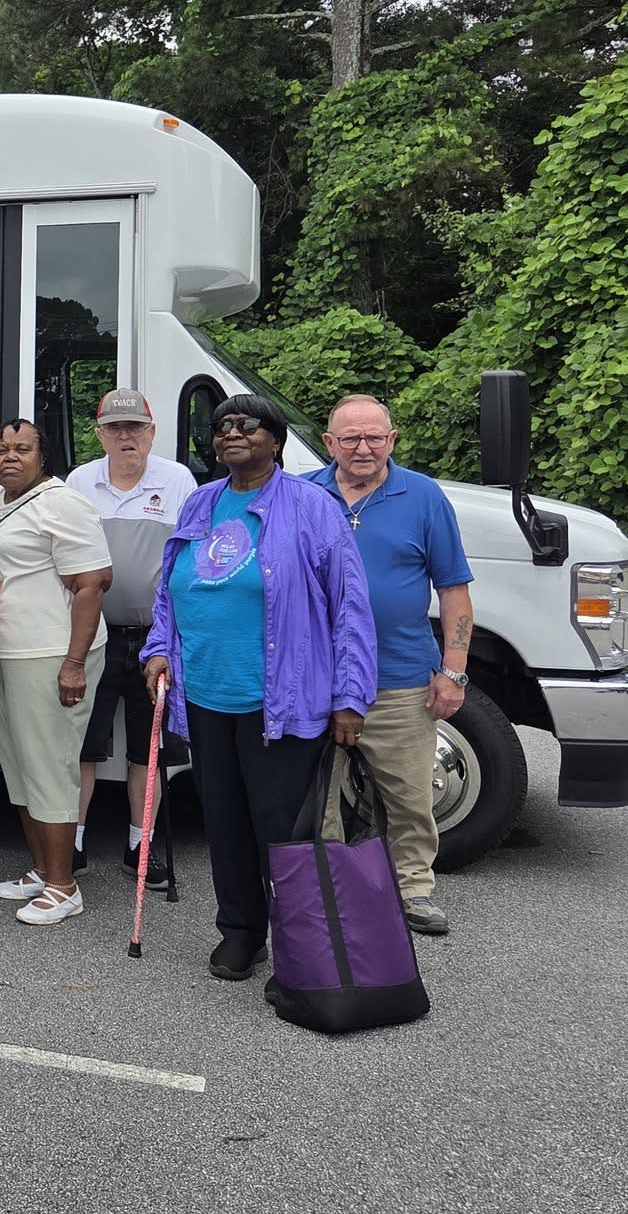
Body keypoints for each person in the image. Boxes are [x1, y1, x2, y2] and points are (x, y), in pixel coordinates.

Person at [143, 394, 377, 982]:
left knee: (283, 833)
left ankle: (300, 947)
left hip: (283, 699)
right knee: (223, 822)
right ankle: (241, 933)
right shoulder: (201, 501)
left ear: (276, 440)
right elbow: (171, 588)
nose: (233, 433)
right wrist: (159, 648)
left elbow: (350, 605)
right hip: (206, 699)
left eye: (249, 424)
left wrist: (351, 697)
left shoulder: (311, 506)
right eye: (223, 426)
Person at [311, 394, 474, 937]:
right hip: (317, 679)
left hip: (402, 676)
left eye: (375, 437)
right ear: (329, 442)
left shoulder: (423, 497)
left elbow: (453, 590)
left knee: (408, 795)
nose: (364, 448)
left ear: (392, 440)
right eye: (351, 438)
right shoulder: (304, 494)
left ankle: (414, 889)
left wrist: (453, 672)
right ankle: (328, 888)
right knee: (317, 798)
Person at [0, 419, 113, 926]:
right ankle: (40, 869)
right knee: (18, 764)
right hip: (3, 651)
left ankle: (64, 884)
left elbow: (93, 584)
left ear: (44, 456)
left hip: (52, 652)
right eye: (1, 449)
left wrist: (74, 664)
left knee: (50, 765)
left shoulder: (64, 503)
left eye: (23, 448)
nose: (10, 456)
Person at [63, 388, 195, 885]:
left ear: (152, 431)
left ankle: (141, 846)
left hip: (155, 639)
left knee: (149, 747)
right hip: (92, 635)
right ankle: (71, 842)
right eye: (115, 429)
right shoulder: (80, 480)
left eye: (135, 428)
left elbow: (187, 559)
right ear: (99, 434)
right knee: (82, 746)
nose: (125, 437)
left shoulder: (177, 479)